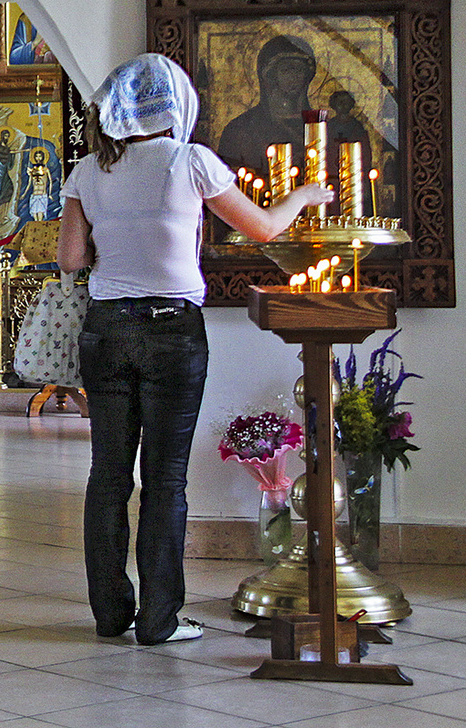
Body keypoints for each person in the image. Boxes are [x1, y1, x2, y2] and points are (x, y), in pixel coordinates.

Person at [58, 53, 333, 646]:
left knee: (107, 475)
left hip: (106, 330)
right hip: (172, 332)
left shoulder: (87, 171)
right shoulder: (191, 161)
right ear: (176, 105)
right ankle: (158, 621)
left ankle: (110, 615)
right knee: (166, 480)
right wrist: (305, 195)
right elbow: (262, 229)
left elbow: (72, 260)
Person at [215, 34, 317, 176]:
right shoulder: (240, 129)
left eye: (299, 70)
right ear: (271, 75)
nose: (294, 77)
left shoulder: (319, 129)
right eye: (286, 70)